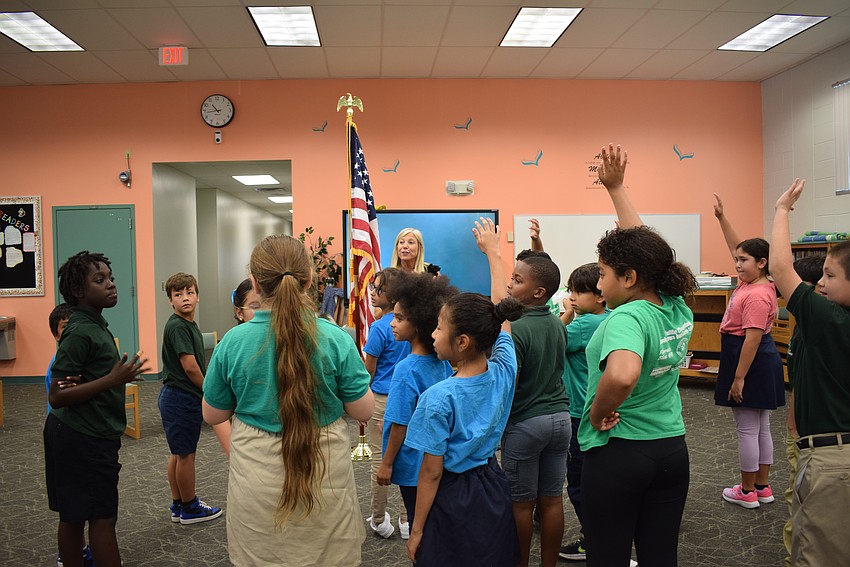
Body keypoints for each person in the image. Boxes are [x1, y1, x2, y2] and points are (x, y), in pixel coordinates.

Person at [202, 234, 374, 567]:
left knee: (263, 553)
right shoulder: (335, 338)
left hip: (257, 470)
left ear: (254, 283)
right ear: (309, 279)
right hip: (323, 465)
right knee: (329, 553)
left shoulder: (232, 342)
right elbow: (363, 410)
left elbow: (212, 414)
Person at [578, 144, 696, 567]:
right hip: (670, 449)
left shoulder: (626, 318)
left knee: (607, 553)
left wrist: (596, 413)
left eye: (603, 273)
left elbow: (623, 375)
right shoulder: (673, 301)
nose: (599, 279)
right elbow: (649, 253)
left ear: (628, 278)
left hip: (620, 450)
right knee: (660, 552)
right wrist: (617, 188)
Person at [404, 217, 522, 566]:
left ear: (462, 341)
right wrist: (494, 255)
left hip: (452, 495)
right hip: (491, 486)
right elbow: (503, 318)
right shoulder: (504, 370)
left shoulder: (438, 398)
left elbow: (431, 471)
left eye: (439, 328)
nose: (434, 334)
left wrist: (417, 529)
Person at [44, 251, 149, 567]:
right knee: (99, 519)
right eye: (99, 280)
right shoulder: (79, 331)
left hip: (90, 434)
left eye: (111, 278)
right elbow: (57, 395)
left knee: (77, 515)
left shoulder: (94, 324)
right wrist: (113, 379)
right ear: (78, 291)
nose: (111, 285)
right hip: (78, 437)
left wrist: (109, 379)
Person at [769, 178, 850, 566]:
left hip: (833, 460)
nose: (820, 282)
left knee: (818, 553)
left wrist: (782, 209)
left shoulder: (831, 321)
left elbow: (782, 269)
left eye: (831, 276)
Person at [500, 229, 570, 567]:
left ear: (538, 292)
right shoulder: (558, 323)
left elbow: (509, 383)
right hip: (560, 421)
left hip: (527, 424)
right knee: (552, 500)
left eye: (517, 280)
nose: (510, 285)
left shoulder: (516, 330)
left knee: (521, 504)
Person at [712, 194, 785, 509]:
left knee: (748, 427)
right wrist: (721, 218)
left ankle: (746, 490)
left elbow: (752, 339)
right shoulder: (758, 281)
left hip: (748, 358)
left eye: (743, 261)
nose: (738, 264)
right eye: (737, 260)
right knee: (760, 425)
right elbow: (736, 245)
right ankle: (762, 487)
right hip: (754, 356)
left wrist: (738, 378)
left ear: (762, 263)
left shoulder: (756, 295)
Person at [377, 271, 456, 529]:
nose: (392, 323)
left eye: (399, 318)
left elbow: (400, 423)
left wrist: (386, 464)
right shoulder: (441, 362)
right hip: (436, 458)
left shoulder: (406, 369)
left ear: (420, 324)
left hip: (412, 464)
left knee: (418, 523)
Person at [158, 272, 223, 524]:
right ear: (170, 301)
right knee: (186, 455)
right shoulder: (177, 326)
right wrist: (211, 391)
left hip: (177, 396)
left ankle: (178, 504)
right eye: (178, 294)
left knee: (178, 454)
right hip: (180, 397)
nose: (185, 298)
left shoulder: (188, 325)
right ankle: (189, 507)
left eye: (189, 293)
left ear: (198, 296)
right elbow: (191, 367)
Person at [557, 263, 609, 562]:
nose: (572, 296)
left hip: (578, 410)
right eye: (570, 290)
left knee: (577, 480)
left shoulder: (584, 324)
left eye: (578, 292)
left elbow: (552, 341)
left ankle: (592, 538)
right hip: (602, 407)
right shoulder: (613, 317)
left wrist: (565, 313)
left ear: (599, 295)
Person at [782, 254, 825, 567]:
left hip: (818, 440)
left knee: (808, 503)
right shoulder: (801, 329)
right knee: (796, 497)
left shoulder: (824, 326)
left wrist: (782, 210)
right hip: (799, 429)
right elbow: (798, 380)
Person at [363, 267, 411, 539]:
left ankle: (379, 519)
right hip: (408, 398)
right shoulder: (412, 322)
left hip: (381, 400)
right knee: (408, 458)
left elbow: (368, 370)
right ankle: (407, 520)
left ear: (392, 295)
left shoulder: (380, 327)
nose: (372, 292)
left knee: (379, 462)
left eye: (378, 289)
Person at [46, 303, 72, 413]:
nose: (73, 330)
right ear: (56, 335)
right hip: (63, 419)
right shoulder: (60, 362)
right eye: (65, 326)